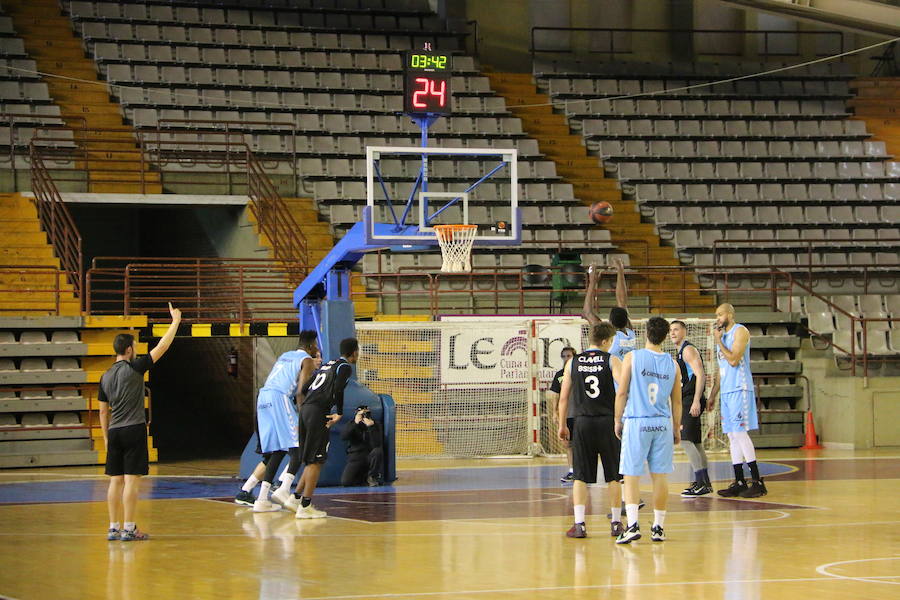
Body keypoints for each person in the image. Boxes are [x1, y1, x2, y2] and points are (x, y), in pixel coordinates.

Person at [100, 302, 181, 541]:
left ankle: (113, 527)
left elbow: (103, 412)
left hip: (113, 432)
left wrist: (105, 438)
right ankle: (130, 528)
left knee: (115, 481)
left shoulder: (104, 377)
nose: (135, 350)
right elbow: (163, 346)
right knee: (131, 480)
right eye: (134, 347)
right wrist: (174, 321)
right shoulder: (135, 367)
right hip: (133, 429)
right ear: (128, 350)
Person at [235, 330, 320, 512]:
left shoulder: (285, 355)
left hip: (263, 398)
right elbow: (300, 391)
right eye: (316, 345)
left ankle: (262, 498)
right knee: (299, 444)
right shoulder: (307, 360)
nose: (317, 349)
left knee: (277, 450)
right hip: (279, 397)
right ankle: (284, 488)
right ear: (311, 345)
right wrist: (304, 415)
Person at [615, 316, 682, 544]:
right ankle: (659, 527)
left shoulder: (632, 357)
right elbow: (677, 402)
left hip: (637, 420)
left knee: (631, 475)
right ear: (665, 336)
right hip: (662, 423)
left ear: (646, 333)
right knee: (660, 476)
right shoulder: (673, 364)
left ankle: (632, 525)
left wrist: (617, 419)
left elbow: (622, 392)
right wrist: (676, 427)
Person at [558, 323, 624, 539]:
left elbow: (564, 397)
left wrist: (562, 424)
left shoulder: (573, 362)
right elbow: (624, 387)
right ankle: (616, 524)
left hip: (582, 422)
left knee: (580, 477)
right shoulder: (611, 359)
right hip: (607, 422)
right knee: (614, 476)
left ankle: (579, 525)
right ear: (606, 341)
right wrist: (621, 417)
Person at [294, 337, 360, 518]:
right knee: (316, 460)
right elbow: (338, 389)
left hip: (306, 409)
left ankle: (296, 497)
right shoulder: (344, 367)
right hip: (317, 412)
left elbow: (305, 387)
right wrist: (338, 412)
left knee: (309, 459)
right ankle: (305, 506)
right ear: (354, 352)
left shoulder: (327, 365)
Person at [710, 304, 767, 499]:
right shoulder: (722, 336)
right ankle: (739, 481)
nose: (717, 318)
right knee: (732, 436)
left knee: (740, 433)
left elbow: (734, 360)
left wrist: (718, 342)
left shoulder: (740, 331)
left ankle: (758, 482)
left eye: (720, 314)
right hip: (726, 391)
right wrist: (713, 394)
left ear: (730, 314)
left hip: (740, 388)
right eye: (716, 315)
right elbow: (721, 369)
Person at [670, 320, 713, 497]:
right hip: (687, 398)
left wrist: (696, 400)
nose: (672, 333)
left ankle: (701, 481)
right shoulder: (679, 352)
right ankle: (704, 482)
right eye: (671, 330)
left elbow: (701, 374)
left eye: (676, 329)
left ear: (684, 332)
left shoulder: (688, 350)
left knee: (686, 440)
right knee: (696, 442)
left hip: (690, 399)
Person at [583, 258, 635, 361]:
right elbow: (622, 302)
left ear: (610, 322)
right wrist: (620, 270)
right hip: (629, 376)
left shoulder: (609, 337)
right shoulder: (630, 333)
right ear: (626, 319)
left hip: (612, 376)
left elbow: (587, 312)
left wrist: (592, 282)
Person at [546, 346, 577, 483]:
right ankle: (572, 471)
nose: (566, 358)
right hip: (567, 414)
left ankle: (584, 471)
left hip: (580, 414)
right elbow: (556, 395)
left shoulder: (578, 372)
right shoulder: (559, 375)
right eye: (563, 356)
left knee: (581, 444)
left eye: (568, 356)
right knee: (568, 444)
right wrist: (555, 412)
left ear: (574, 356)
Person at [340, 405, 384, 486]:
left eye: (366, 414)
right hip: (356, 457)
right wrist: (355, 423)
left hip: (369, 456)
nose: (364, 416)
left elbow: (377, 444)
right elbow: (344, 436)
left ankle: (372, 476)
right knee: (346, 482)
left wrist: (371, 427)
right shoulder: (351, 424)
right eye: (361, 414)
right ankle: (363, 480)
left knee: (378, 451)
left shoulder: (376, 425)